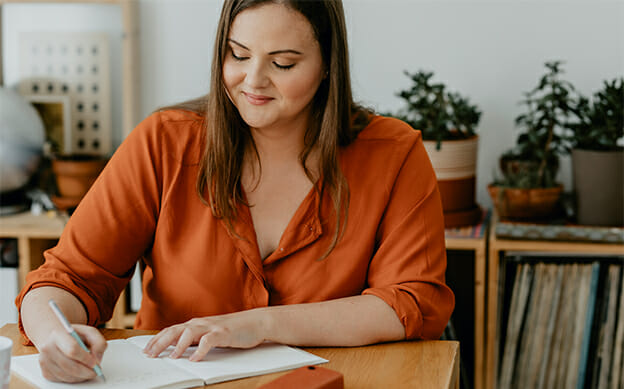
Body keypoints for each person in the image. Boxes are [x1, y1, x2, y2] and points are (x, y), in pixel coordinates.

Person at [16, 0, 454, 383]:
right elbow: (67, 279)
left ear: (327, 66)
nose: (253, 81)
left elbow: (410, 301)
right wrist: (56, 336)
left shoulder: (393, 154)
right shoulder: (164, 142)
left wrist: (257, 324)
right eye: (238, 54)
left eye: (283, 64)